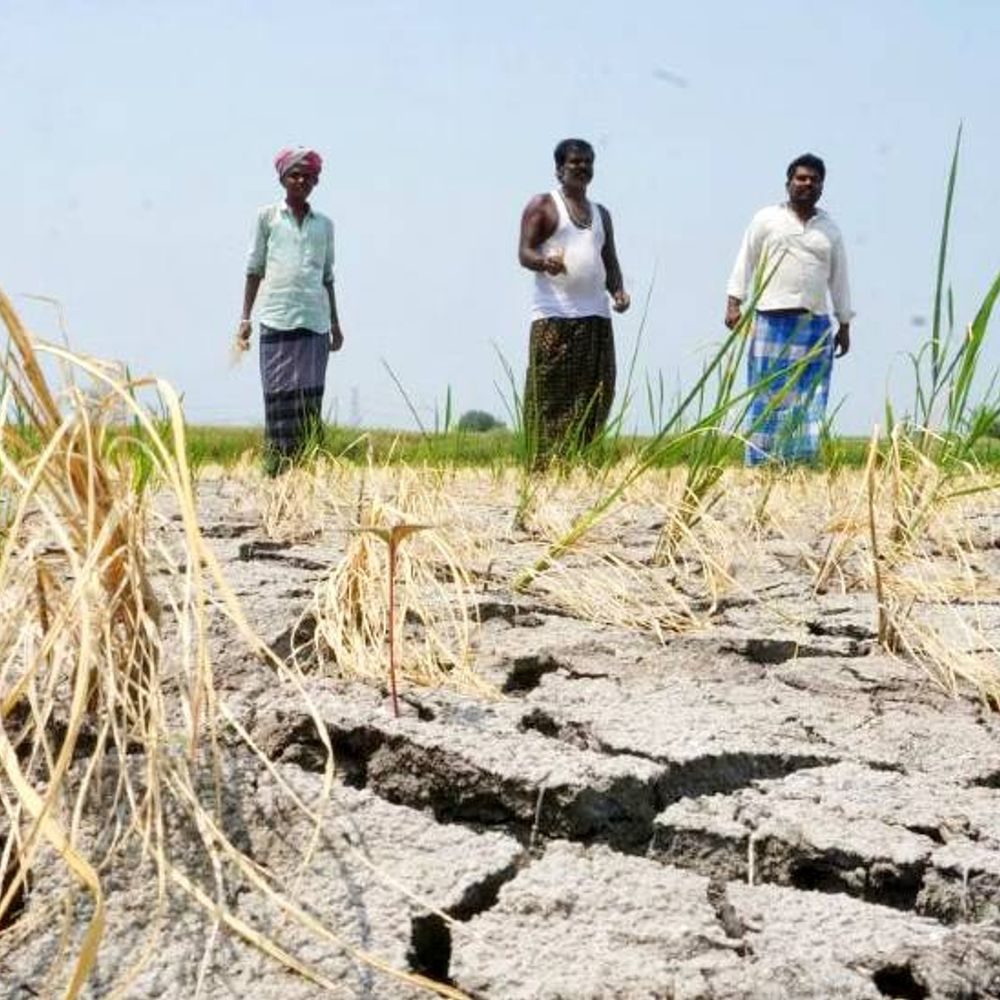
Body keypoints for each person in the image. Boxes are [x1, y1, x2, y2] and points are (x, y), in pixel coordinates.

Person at [725, 153, 852, 466]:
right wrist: (734, 301)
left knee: (810, 396)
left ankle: (800, 463)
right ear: (788, 183)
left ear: (822, 186)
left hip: (815, 323)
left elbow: (840, 278)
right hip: (771, 320)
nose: (806, 184)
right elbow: (746, 259)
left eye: (813, 180)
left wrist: (844, 323)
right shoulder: (767, 219)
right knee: (767, 394)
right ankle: (761, 461)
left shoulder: (830, 230)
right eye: (801, 178)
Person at [518, 138, 630, 464]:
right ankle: (543, 463)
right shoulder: (543, 205)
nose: (581, 168)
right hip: (554, 316)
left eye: (587, 162)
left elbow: (609, 260)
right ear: (559, 169)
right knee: (551, 394)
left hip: (596, 316)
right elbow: (524, 252)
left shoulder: (602, 214)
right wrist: (543, 263)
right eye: (574, 162)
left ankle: (580, 460)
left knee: (597, 391)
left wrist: (618, 292)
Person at [238, 147, 344, 473]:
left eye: (308, 176)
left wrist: (335, 324)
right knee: (278, 397)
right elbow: (254, 268)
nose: (301, 181)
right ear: (283, 178)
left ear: (315, 181)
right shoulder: (267, 218)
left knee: (308, 400)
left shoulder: (324, 226)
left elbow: (327, 277)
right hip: (275, 318)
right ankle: (276, 469)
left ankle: (306, 470)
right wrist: (245, 318)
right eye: (295, 175)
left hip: (314, 322)